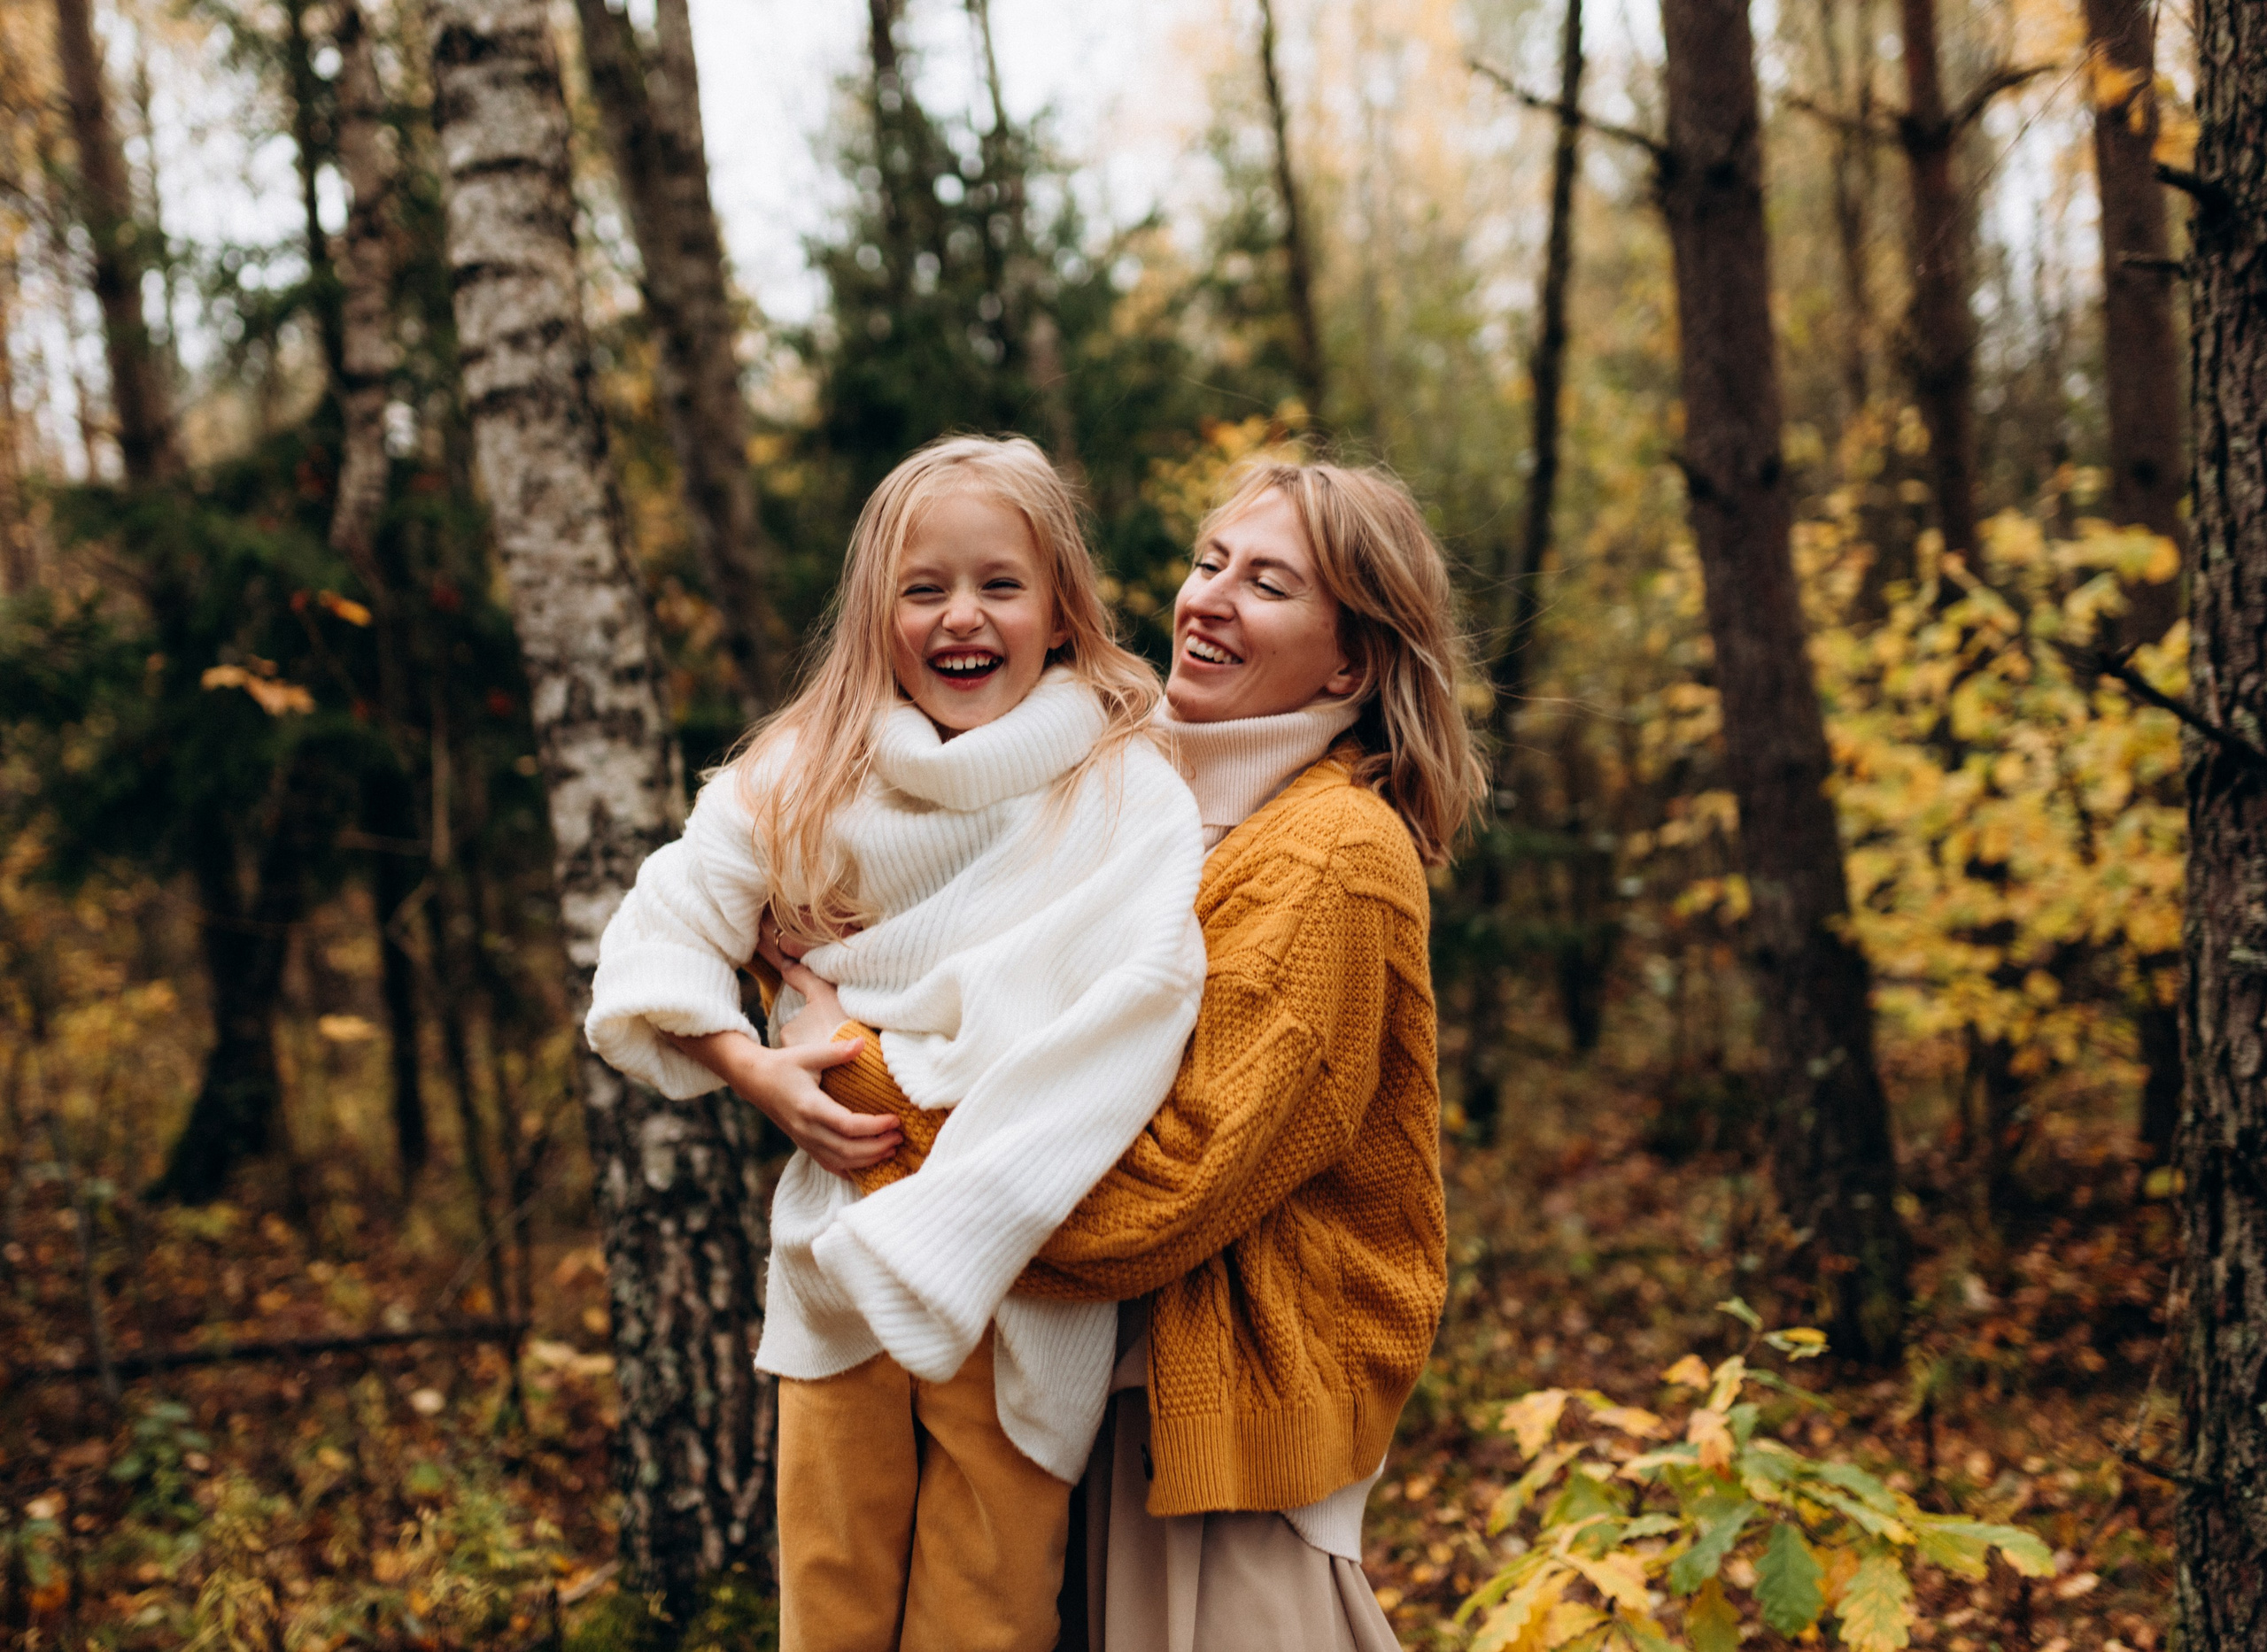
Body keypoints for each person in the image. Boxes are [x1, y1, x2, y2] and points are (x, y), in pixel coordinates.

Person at [773, 458, 1484, 1650]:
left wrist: (845, 1064)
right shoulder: (1126, 789)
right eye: (1210, 561)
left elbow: (1157, 1195)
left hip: (1214, 1455)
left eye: (1267, 583)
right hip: (1083, 1402)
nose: (1208, 597)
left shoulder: (1332, 857)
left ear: (1352, 662)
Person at [584, 435, 1210, 1652]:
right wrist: (754, 1064)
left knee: (987, 1613)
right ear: (880, 609)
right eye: (925, 589)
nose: (960, 618)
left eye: (999, 585)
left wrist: (941, 1166)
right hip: (835, 1256)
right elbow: (656, 930)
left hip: (1026, 1276)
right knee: (831, 1596)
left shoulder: (1124, 784)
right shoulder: (807, 769)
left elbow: (1139, 1006)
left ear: (1060, 607)